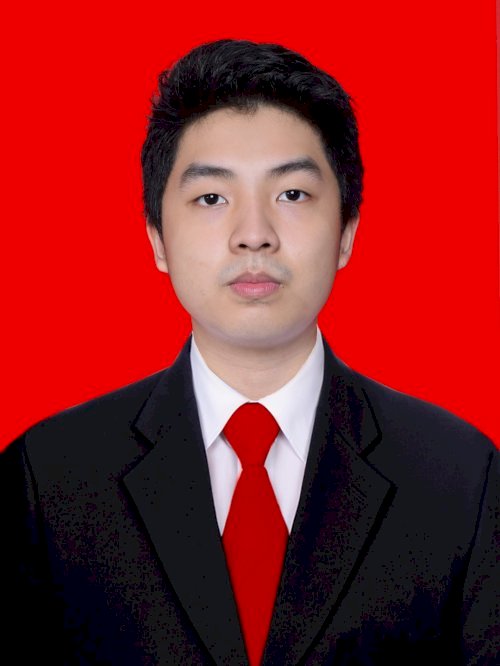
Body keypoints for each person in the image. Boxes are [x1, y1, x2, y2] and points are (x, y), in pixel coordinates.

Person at [1, 39, 498, 665]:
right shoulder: (47, 478)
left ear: (347, 230)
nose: (254, 235)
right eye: (212, 198)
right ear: (157, 238)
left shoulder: (460, 477)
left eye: (292, 194)